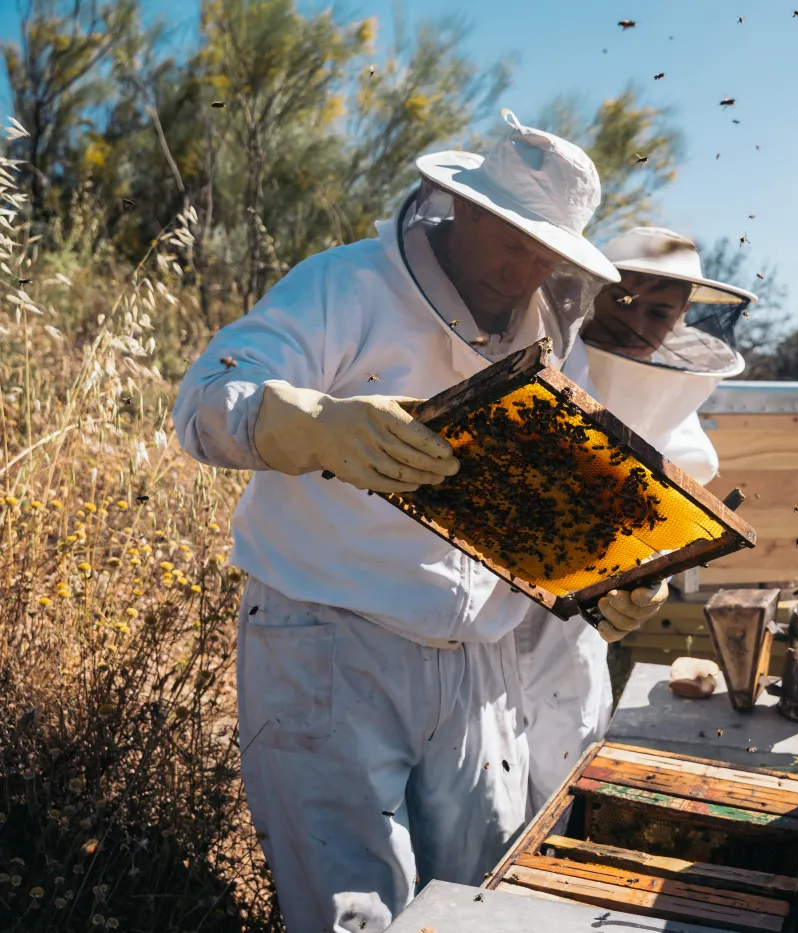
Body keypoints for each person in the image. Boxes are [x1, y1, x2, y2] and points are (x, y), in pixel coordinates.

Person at [173, 110, 666, 933]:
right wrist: (313, 424)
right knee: (352, 913)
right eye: (514, 239)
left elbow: (558, 498)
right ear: (461, 205)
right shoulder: (345, 285)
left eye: (549, 252)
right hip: (328, 640)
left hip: (480, 662)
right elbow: (205, 402)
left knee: (475, 906)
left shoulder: (552, 336)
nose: (527, 268)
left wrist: (613, 577)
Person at [513, 226, 757, 813]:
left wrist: (652, 570)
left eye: (661, 313)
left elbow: (685, 469)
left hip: (573, 625)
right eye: (626, 302)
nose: (642, 325)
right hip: (475, 613)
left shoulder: (674, 389)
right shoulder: (530, 341)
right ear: (593, 289)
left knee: (559, 797)